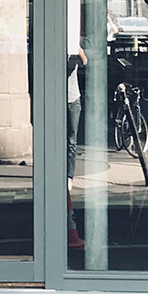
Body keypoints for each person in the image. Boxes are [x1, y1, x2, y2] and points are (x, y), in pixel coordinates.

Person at [66, 44, 87, 250]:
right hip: (58, 99)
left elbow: (85, 60)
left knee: (71, 141)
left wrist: (76, 48)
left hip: (73, 99)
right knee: (62, 140)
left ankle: (69, 176)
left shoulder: (73, 47)